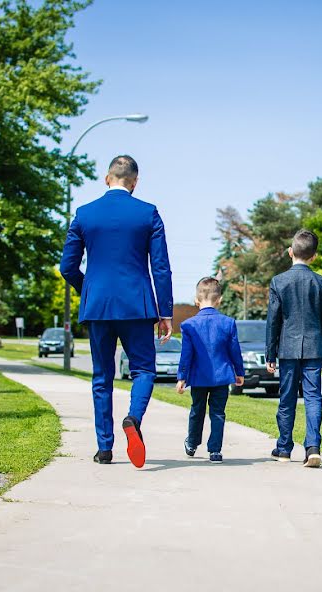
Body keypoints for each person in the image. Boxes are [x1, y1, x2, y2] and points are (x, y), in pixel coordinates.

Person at [60, 155, 173, 468]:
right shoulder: (148, 213)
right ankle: (133, 419)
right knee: (144, 370)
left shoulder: (84, 214)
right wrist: (165, 312)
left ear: (106, 178)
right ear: (134, 183)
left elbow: (67, 267)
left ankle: (104, 448)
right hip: (137, 305)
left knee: (102, 377)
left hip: (97, 307)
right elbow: (160, 267)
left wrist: (90, 292)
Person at [265, 229, 322, 468]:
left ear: (290, 252)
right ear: (314, 257)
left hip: (287, 348)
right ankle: (313, 447)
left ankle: (284, 448)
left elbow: (273, 320)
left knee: (287, 399)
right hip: (315, 349)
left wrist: (270, 353)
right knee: (313, 398)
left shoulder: (278, 281)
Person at [175, 277, 245, 463]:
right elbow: (234, 350)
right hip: (222, 377)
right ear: (219, 299)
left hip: (198, 377)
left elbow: (186, 354)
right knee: (218, 413)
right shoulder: (228, 323)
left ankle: (191, 443)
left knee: (197, 409)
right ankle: (215, 450)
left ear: (196, 300)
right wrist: (239, 372)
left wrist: (182, 377)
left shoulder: (189, 325)